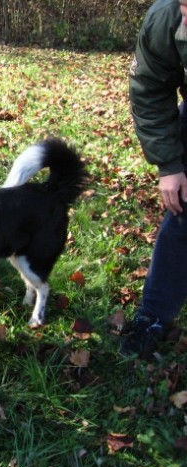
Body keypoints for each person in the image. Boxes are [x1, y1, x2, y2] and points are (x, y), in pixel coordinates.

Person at [122, 0, 187, 359]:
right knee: (183, 213)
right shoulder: (166, 19)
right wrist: (170, 166)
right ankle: (154, 316)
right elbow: (149, 87)